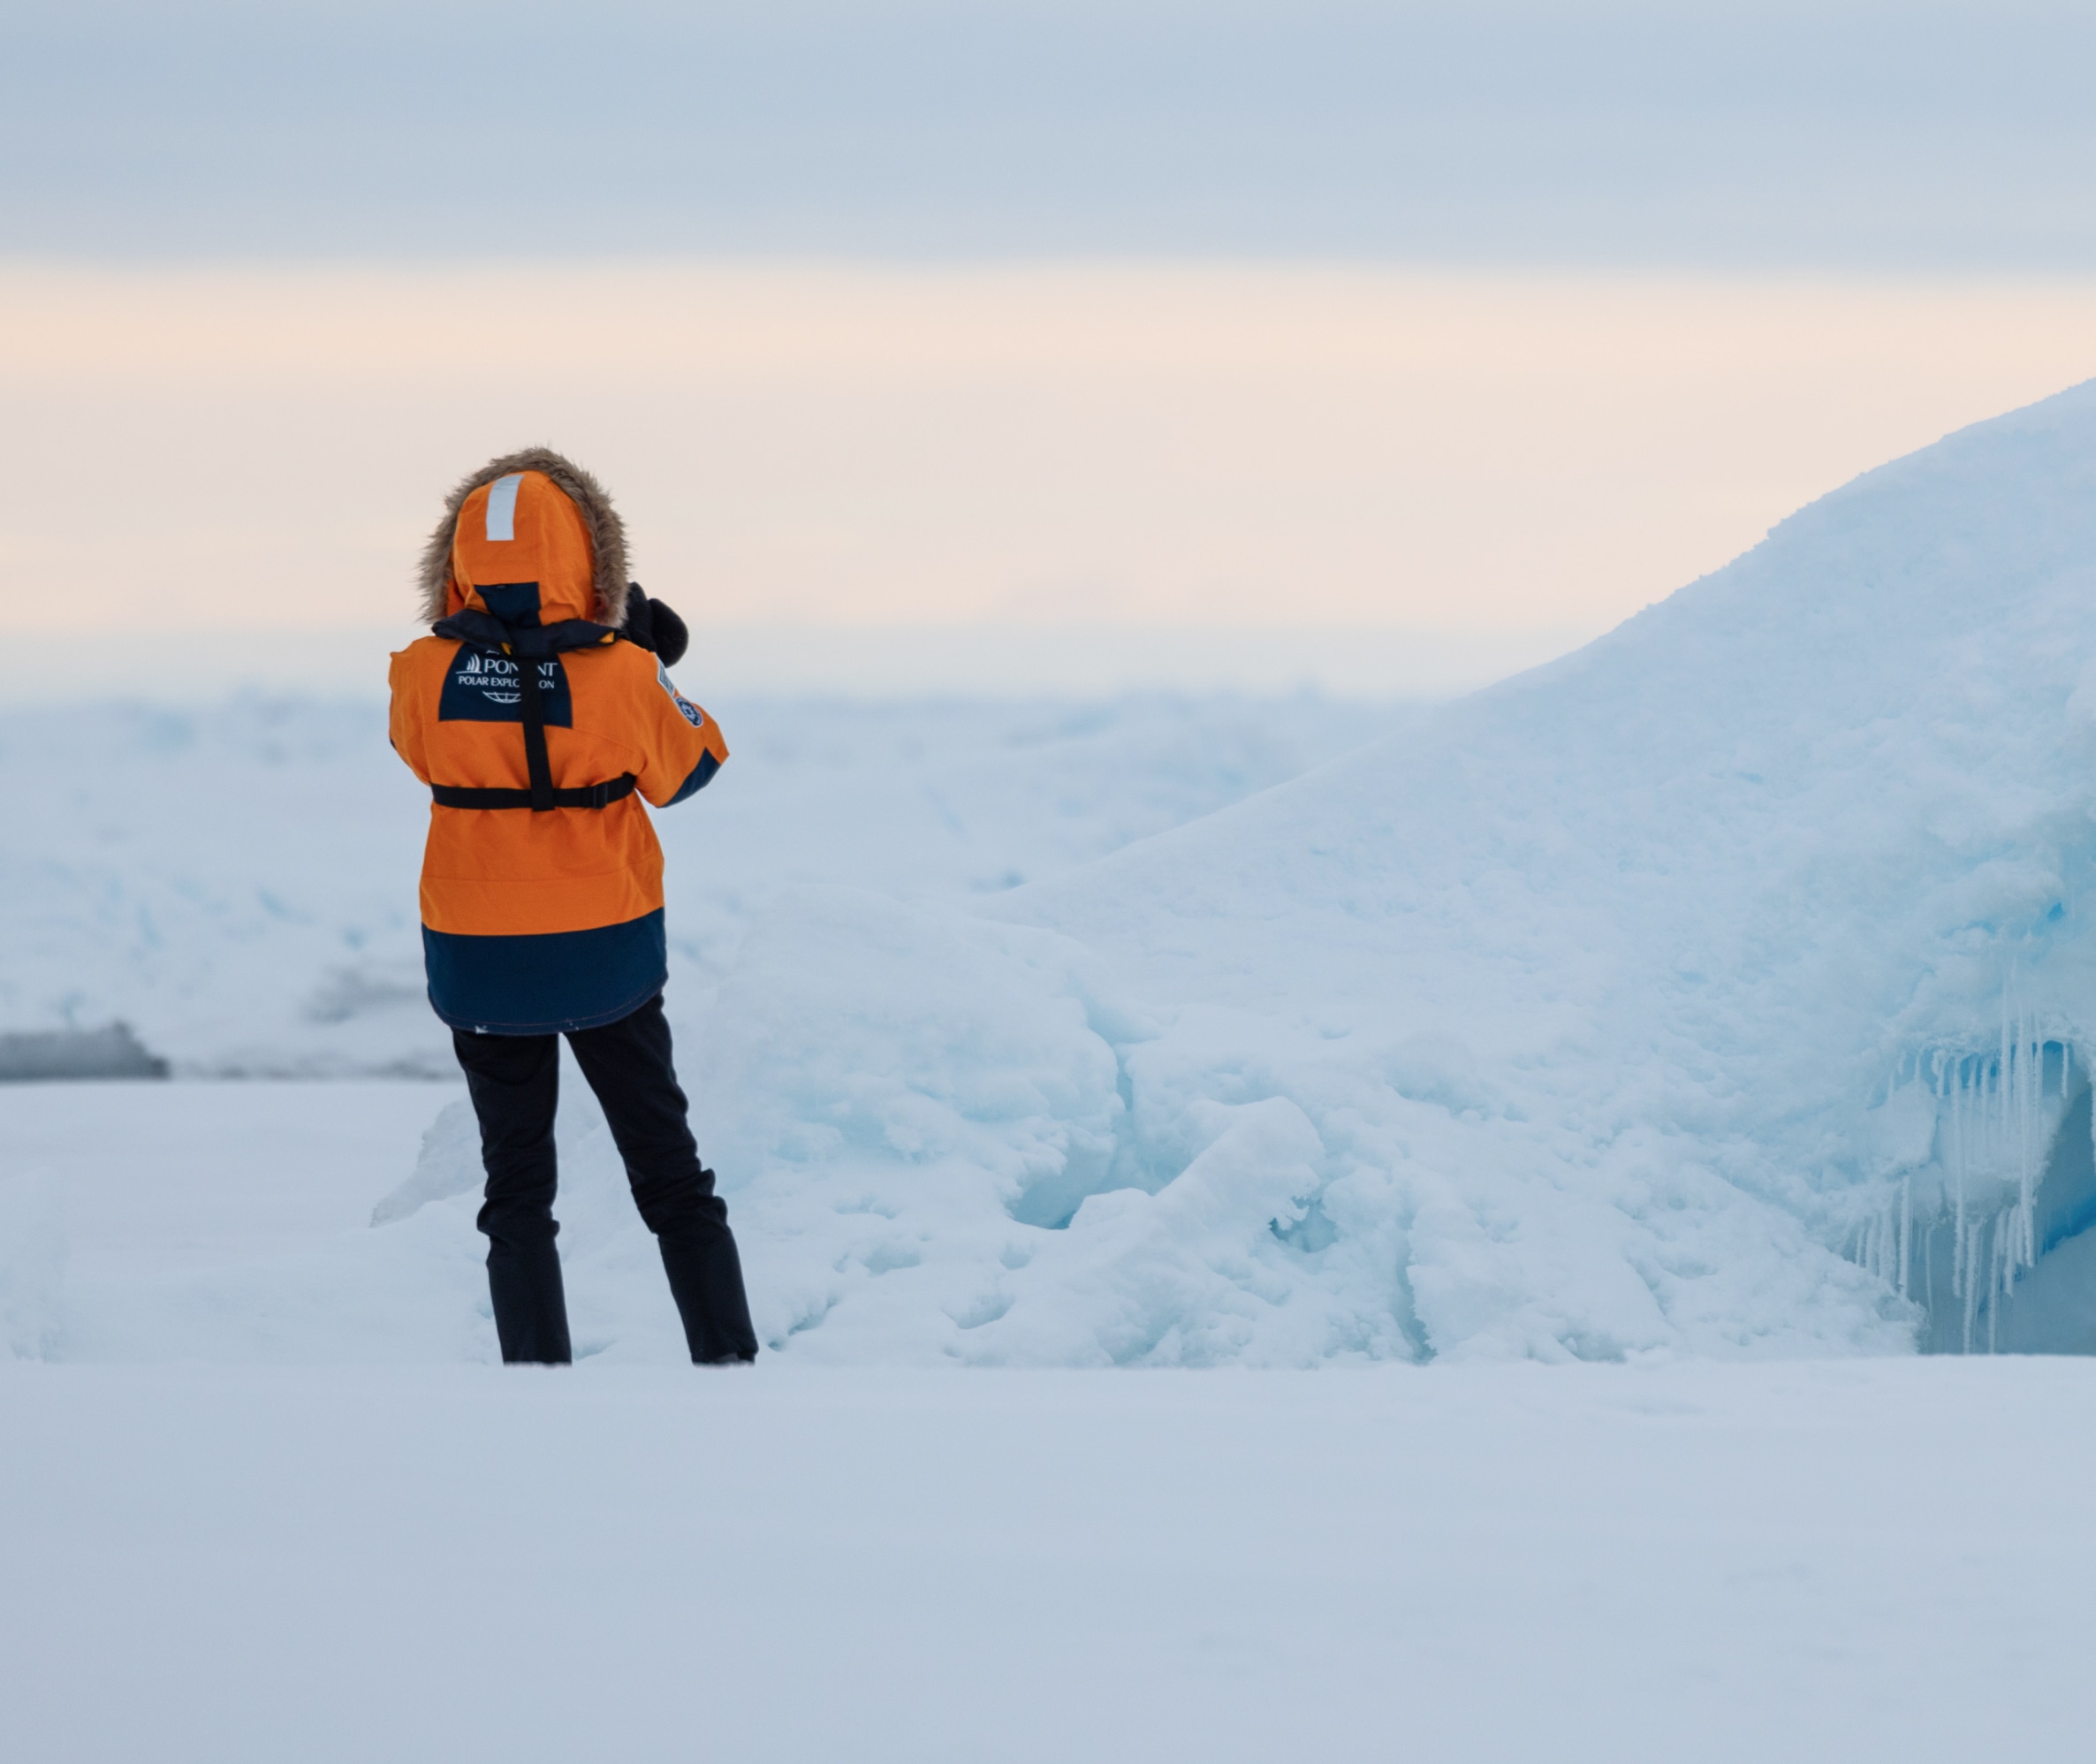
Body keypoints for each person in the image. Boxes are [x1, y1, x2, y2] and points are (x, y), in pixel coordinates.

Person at [387, 447, 758, 1365]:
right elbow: (692, 768)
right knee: (671, 1175)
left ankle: (534, 1384)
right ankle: (727, 1365)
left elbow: (417, 750)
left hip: (479, 954)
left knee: (514, 1187)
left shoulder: (419, 671)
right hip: (605, 954)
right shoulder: (625, 674)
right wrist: (646, 660)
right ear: (594, 561)